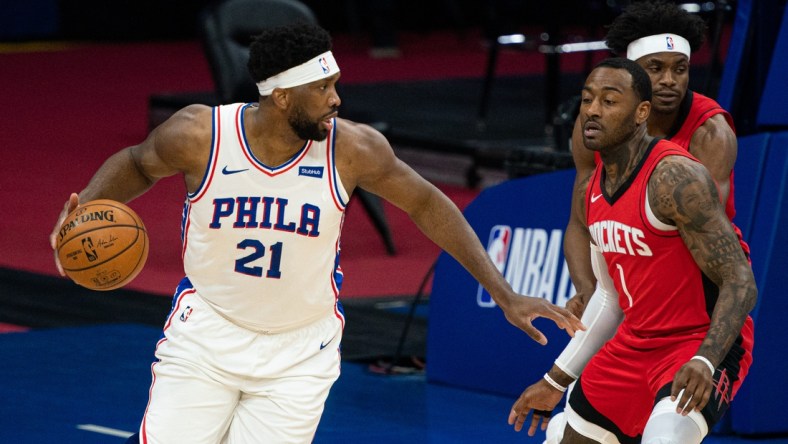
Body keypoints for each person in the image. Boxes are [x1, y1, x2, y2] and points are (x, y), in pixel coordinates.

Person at [49, 22, 583, 443]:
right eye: (323, 87)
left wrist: (503, 292)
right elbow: (137, 163)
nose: (336, 99)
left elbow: (426, 203)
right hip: (207, 334)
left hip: (301, 351)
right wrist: (87, 210)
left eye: (336, 85)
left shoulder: (352, 149)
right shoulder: (201, 135)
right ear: (282, 97)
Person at [507, 58, 756, 443]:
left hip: (698, 340)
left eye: (609, 101)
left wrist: (706, 358)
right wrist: (554, 380)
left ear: (641, 112)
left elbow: (740, 280)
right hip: (635, 343)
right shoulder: (592, 189)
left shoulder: (673, 177)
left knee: (666, 436)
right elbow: (609, 296)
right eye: (588, 99)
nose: (592, 110)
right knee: (561, 437)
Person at [563, 0, 746, 319]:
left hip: (696, 285)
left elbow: (701, 243)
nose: (669, 81)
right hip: (625, 277)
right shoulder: (593, 124)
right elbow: (581, 223)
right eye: (655, 68)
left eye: (680, 68)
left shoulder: (710, 134)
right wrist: (587, 291)